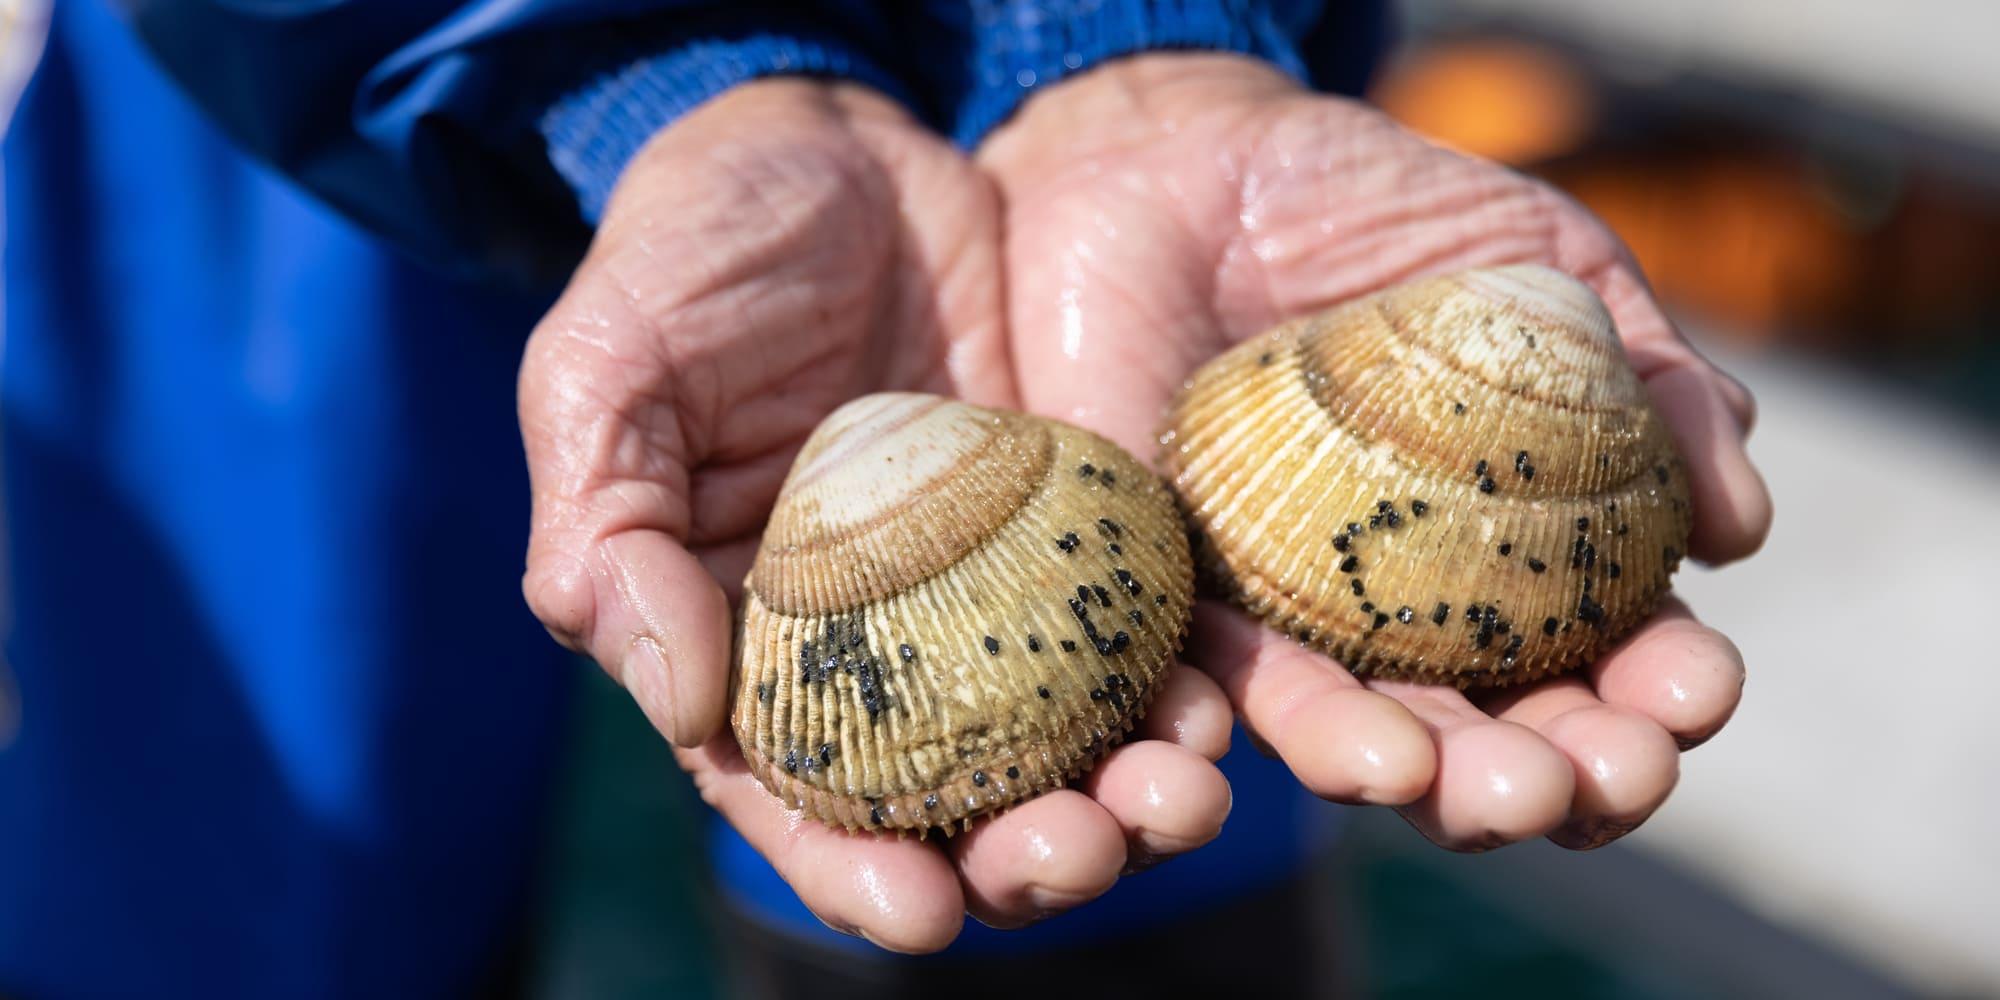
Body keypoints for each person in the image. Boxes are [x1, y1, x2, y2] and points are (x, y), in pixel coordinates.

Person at [0, 1, 1770, 996]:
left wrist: (1124, 30)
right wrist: (618, 55)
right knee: (255, 885)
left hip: (1172, 150)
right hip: (279, 116)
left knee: (1075, 901)